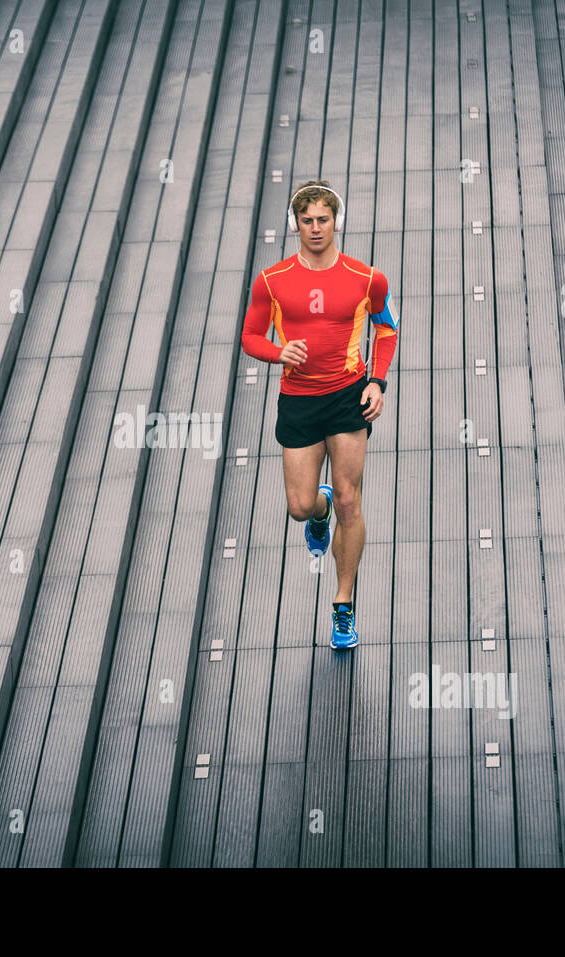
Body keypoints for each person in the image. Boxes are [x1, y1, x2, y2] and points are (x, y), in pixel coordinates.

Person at [240, 180, 398, 649]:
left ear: (336, 222)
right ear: (295, 225)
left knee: (353, 503)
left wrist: (377, 381)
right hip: (299, 401)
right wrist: (278, 352)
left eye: (322, 220)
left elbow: (386, 330)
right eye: (306, 220)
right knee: (298, 507)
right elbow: (250, 337)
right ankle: (319, 509)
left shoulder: (367, 278)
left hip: (348, 398)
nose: (314, 228)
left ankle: (343, 604)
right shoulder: (271, 281)